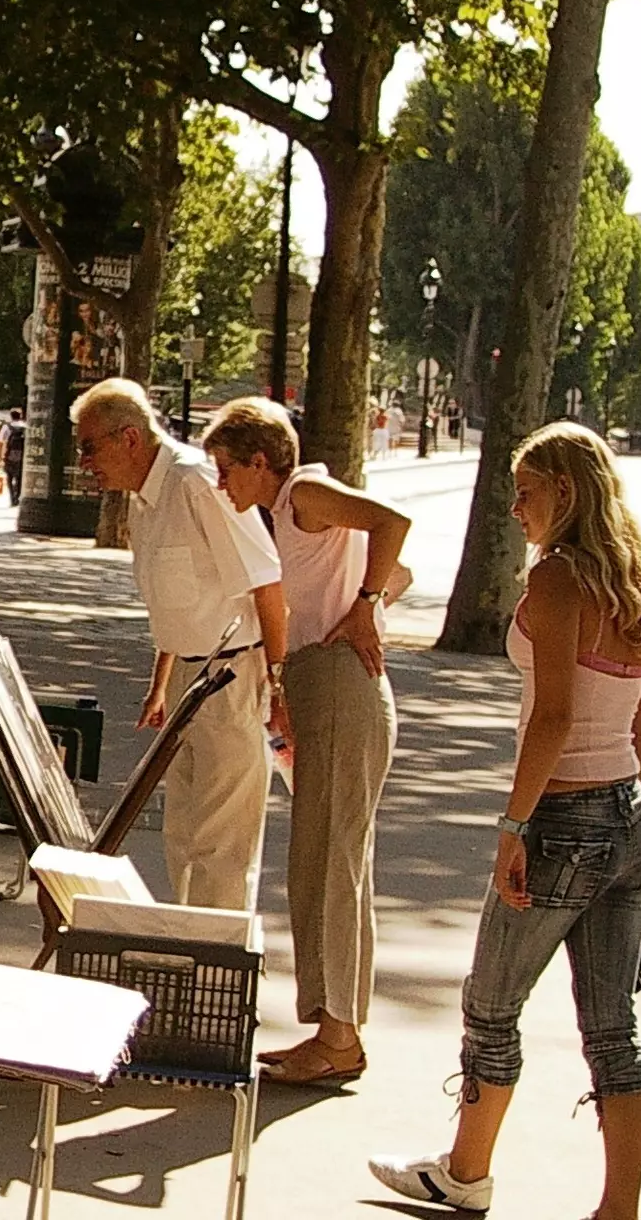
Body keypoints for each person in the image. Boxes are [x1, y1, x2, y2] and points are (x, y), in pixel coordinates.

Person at [369, 421, 641, 1219]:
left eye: (528, 491)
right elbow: (638, 724)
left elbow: (554, 720)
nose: (516, 508)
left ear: (566, 493)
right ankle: (621, 1208)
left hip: (566, 818)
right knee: (613, 1027)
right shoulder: (639, 579)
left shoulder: (559, 579)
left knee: (492, 1004)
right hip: (630, 818)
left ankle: (465, 1175)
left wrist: (515, 827)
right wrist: (617, 812)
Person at [202, 397, 412, 1086]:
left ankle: (341, 1034)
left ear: (260, 463)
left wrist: (366, 605)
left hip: (347, 685)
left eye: (226, 469)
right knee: (318, 859)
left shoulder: (306, 493)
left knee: (338, 859)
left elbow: (392, 523)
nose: (222, 483)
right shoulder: (286, 514)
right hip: (326, 682)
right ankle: (328, 1025)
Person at [71, 378, 289, 911]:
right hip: (193, 681)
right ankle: (191, 953)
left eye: (89, 447)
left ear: (128, 438)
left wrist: (279, 688)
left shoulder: (196, 480)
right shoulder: (144, 498)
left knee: (222, 844)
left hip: (235, 674)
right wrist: (160, 685)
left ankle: (218, 966)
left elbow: (267, 581)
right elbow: (176, 600)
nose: (84, 463)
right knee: (183, 836)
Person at [1, 407, 27, 503]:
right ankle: (18, 495)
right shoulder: (25, 426)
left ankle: (12, 497)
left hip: (10, 455)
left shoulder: (7, 427)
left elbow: (2, 441)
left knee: (9, 477)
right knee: (19, 477)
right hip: (22, 456)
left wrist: (2, 456)